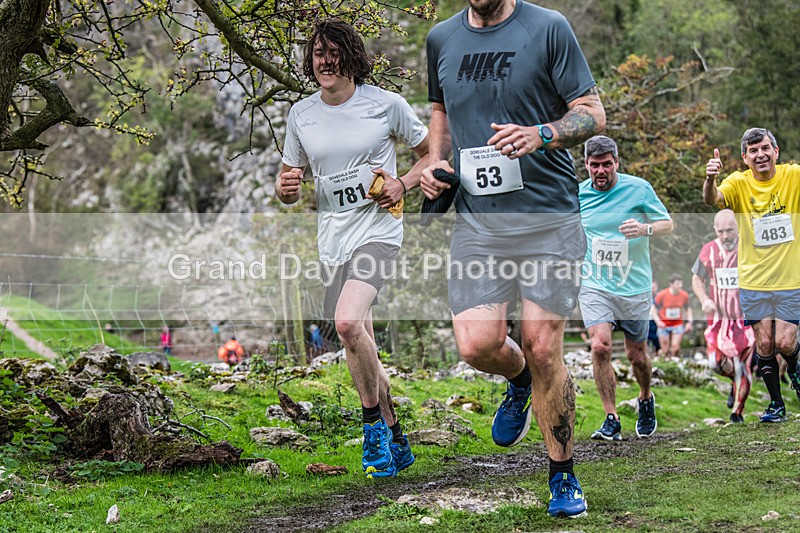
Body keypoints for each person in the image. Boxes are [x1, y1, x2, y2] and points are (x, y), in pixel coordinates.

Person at [421, 0, 605, 517]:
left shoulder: (548, 28)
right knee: (477, 345)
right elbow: (440, 110)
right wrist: (436, 162)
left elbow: (592, 112)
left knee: (544, 347)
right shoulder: (441, 38)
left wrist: (541, 134)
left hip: (549, 219)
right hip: (480, 223)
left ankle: (562, 475)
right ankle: (518, 379)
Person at [276, 19, 429, 477]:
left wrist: (402, 184)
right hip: (333, 240)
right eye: (318, 53)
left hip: (379, 231)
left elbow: (433, 155)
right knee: (360, 341)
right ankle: (396, 433)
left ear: (351, 56)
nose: (325, 60)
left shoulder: (386, 105)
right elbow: (288, 182)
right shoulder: (300, 114)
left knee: (345, 323)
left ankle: (371, 432)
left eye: (333, 51)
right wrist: (285, 189)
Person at [577, 135, 673, 441]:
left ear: (616, 162)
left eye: (607, 164)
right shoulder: (578, 195)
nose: (601, 170)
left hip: (634, 285)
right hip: (594, 283)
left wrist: (644, 228)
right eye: (595, 165)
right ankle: (611, 417)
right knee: (600, 346)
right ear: (586, 165)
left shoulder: (638, 188)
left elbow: (668, 224)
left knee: (637, 355)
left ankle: (645, 397)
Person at [704, 127, 800, 422]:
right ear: (745, 158)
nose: (761, 155)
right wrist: (710, 178)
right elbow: (712, 199)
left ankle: (796, 372)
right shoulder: (738, 183)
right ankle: (776, 404)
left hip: (790, 279)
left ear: (776, 152)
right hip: (753, 281)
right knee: (765, 345)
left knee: (784, 342)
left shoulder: (793, 176)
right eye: (754, 151)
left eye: (765, 149)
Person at [690, 209, 755, 423]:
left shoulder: (750, 247)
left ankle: (738, 411)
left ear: (738, 228)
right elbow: (696, 279)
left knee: (742, 366)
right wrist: (704, 300)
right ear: (714, 230)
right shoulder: (708, 251)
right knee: (715, 363)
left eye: (729, 230)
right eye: (721, 232)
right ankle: (733, 383)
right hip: (718, 319)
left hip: (745, 318)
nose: (725, 236)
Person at [652, 274, 693, 358]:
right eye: (677, 283)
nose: (680, 285)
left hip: (677, 324)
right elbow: (654, 309)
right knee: (665, 351)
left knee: (675, 348)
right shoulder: (662, 295)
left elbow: (688, 308)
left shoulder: (684, 295)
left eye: (681, 283)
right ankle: (661, 359)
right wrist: (658, 322)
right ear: (671, 284)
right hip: (664, 325)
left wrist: (689, 322)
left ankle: (673, 363)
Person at [646, 281, 661, 357]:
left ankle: (657, 357)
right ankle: (648, 357)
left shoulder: (660, 297)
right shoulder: (644, 297)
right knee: (647, 340)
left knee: (657, 341)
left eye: (654, 287)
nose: (653, 289)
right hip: (647, 321)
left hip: (657, 322)